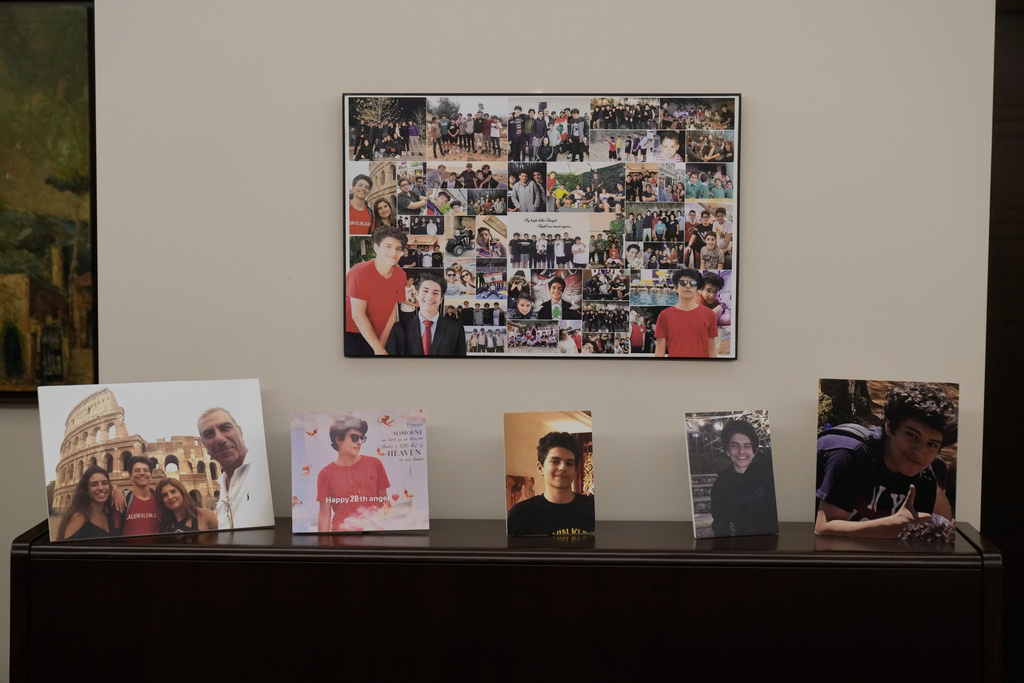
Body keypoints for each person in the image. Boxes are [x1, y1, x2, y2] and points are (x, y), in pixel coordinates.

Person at [815, 383, 958, 539]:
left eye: (932, 444)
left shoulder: (925, 481)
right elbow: (822, 530)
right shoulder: (850, 454)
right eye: (912, 436)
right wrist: (890, 526)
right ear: (889, 427)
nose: (920, 452)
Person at [198, 407, 274, 530]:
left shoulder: (265, 470)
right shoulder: (223, 483)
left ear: (240, 431)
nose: (219, 439)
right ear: (204, 446)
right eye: (209, 434)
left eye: (225, 428)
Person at [506, 432, 595, 536]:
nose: (563, 468)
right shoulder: (521, 514)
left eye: (569, 463)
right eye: (555, 461)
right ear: (540, 468)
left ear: (575, 471)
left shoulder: (593, 508)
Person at [318, 415, 391, 532]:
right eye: (354, 437)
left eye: (362, 438)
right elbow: (324, 515)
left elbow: (384, 503)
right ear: (338, 439)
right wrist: (323, 546)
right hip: (341, 540)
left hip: (374, 536)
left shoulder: (375, 464)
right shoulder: (325, 474)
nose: (360, 442)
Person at [345, 226, 408, 355]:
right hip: (352, 333)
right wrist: (378, 349)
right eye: (388, 246)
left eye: (398, 249)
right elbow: (358, 315)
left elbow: (392, 310)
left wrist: (381, 346)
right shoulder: (360, 272)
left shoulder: (401, 275)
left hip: (379, 333)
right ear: (376, 248)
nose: (394, 252)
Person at [709, 420, 778, 537]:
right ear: (727, 450)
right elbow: (721, 526)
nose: (741, 451)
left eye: (747, 446)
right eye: (735, 445)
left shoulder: (769, 473)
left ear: (753, 451)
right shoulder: (722, 485)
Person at [385, 272, 467, 356]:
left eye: (435, 293)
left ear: (441, 299)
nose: (430, 296)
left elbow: (460, 364)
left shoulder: (456, 329)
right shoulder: (398, 329)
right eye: (425, 291)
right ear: (416, 295)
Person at [655, 268, 718, 358]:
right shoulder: (664, 315)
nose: (688, 286)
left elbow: (712, 350)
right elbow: (659, 352)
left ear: (697, 289)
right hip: (673, 370)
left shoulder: (709, 314)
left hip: (702, 369)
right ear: (676, 288)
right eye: (683, 283)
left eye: (693, 283)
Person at [56, 466, 121, 540]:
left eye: (104, 483)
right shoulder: (79, 518)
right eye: (94, 484)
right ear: (85, 489)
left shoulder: (108, 513)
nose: (101, 488)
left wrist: (117, 491)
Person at [120, 455, 161, 536]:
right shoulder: (123, 500)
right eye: (137, 470)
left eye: (146, 470)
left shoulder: (160, 501)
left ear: (151, 476)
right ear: (130, 476)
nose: (142, 473)